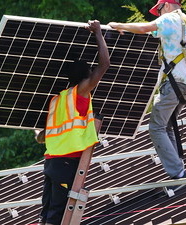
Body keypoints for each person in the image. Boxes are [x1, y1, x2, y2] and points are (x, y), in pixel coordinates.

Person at [108, 0, 186, 181]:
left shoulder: (169, 18)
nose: (158, 15)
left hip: (175, 83)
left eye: (158, 10)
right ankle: (178, 168)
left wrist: (118, 25)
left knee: (156, 127)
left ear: (166, 5)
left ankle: (178, 173)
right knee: (166, 126)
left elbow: (145, 28)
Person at [34, 20, 110, 225]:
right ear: (86, 77)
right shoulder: (80, 94)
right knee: (58, 215)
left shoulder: (58, 99)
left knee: (48, 213)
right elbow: (104, 65)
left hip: (51, 160)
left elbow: (44, 133)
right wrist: (98, 33)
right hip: (67, 161)